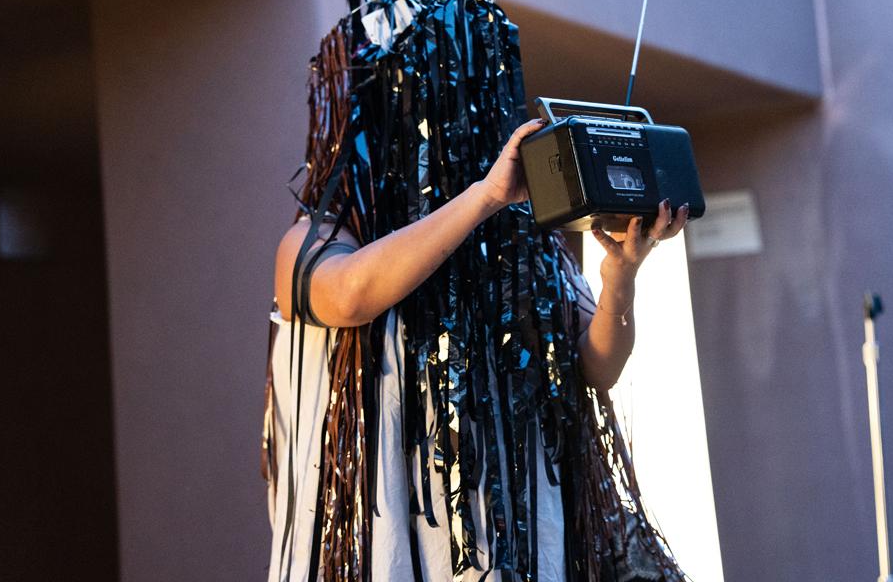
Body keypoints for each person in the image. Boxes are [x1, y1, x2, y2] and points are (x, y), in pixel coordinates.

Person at [267, 115, 688, 581]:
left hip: (518, 536)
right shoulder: (312, 240)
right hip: (392, 541)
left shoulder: (530, 250)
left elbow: (597, 367)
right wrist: (484, 196)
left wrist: (619, 281)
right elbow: (348, 295)